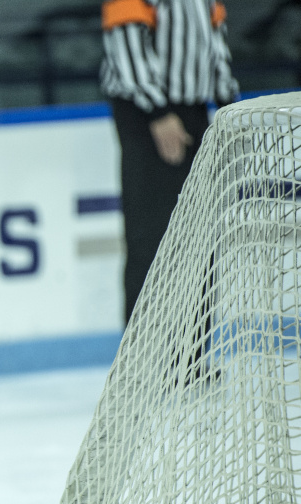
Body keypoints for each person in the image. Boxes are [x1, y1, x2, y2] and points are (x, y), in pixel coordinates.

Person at [100, 0, 239, 324]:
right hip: (147, 114)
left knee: (199, 240)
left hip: (194, 111)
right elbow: (126, 44)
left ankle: (190, 358)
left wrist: (226, 105)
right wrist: (158, 113)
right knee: (151, 239)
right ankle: (144, 361)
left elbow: (215, 43)